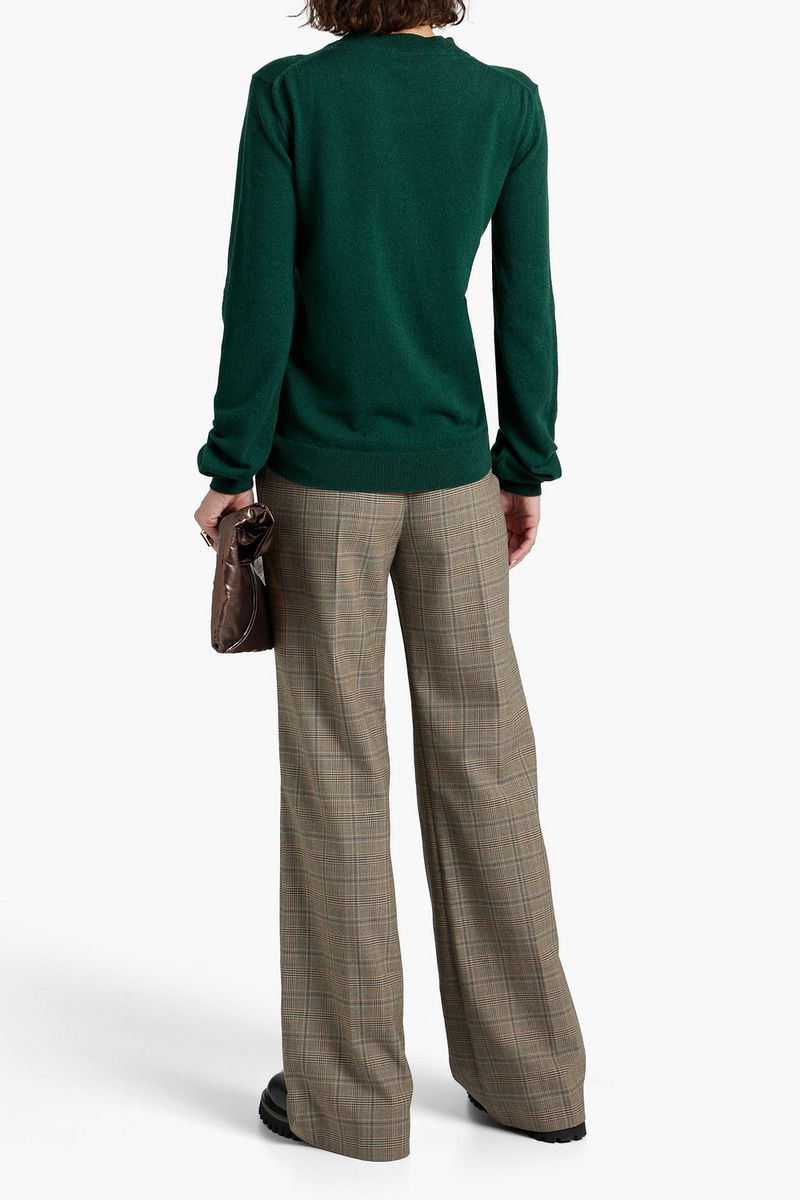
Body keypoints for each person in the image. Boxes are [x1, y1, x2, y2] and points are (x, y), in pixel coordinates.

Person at [194, 0, 586, 1163]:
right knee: (486, 766)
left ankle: (355, 1101)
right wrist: (524, 461)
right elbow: (525, 295)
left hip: (322, 486)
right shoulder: (504, 103)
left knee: (337, 771)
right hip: (458, 483)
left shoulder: (293, 95)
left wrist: (229, 464)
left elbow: (259, 291)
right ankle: (534, 1082)